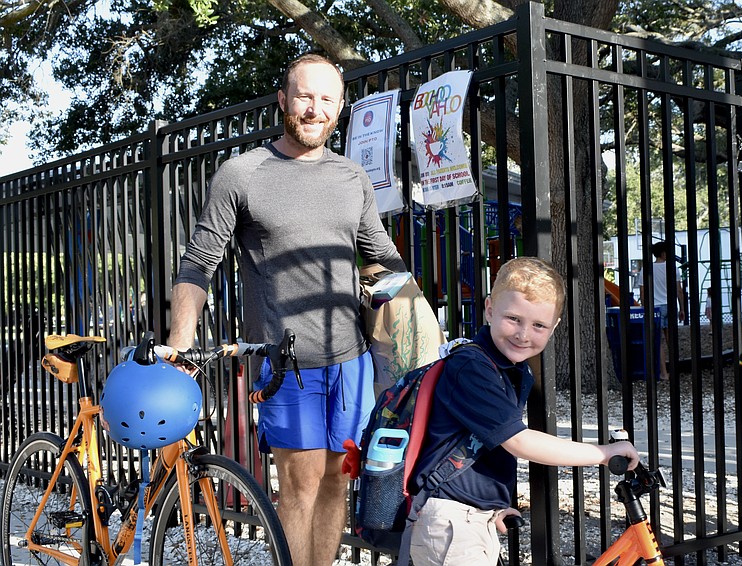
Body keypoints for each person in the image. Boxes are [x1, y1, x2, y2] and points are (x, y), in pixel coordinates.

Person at [167, 53, 406, 566]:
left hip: (352, 360)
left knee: (338, 482)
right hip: (285, 363)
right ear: (283, 100)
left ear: (339, 108)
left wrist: (418, 324)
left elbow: (384, 259)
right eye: (304, 96)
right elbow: (198, 263)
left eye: (327, 99)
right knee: (300, 484)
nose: (314, 109)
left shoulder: (352, 177)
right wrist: (181, 340)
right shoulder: (242, 174)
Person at [409, 257, 639, 566]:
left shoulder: (512, 369)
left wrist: (495, 505)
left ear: (554, 326)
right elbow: (518, 441)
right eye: (513, 318)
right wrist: (603, 453)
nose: (523, 334)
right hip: (451, 523)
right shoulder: (471, 367)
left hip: (471, 518)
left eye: (539, 325)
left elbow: (483, 446)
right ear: (490, 309)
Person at [638, 241, 685, 380]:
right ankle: (675, 370)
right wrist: (682, 308)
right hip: (670, 305)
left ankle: (664, 373)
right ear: (663, 253)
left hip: (655, 308)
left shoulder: (646, 268)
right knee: (671, 340)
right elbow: (679, 290)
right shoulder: (672, 268)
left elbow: (642, 292)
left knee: (659, 342)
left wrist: (644, 308)